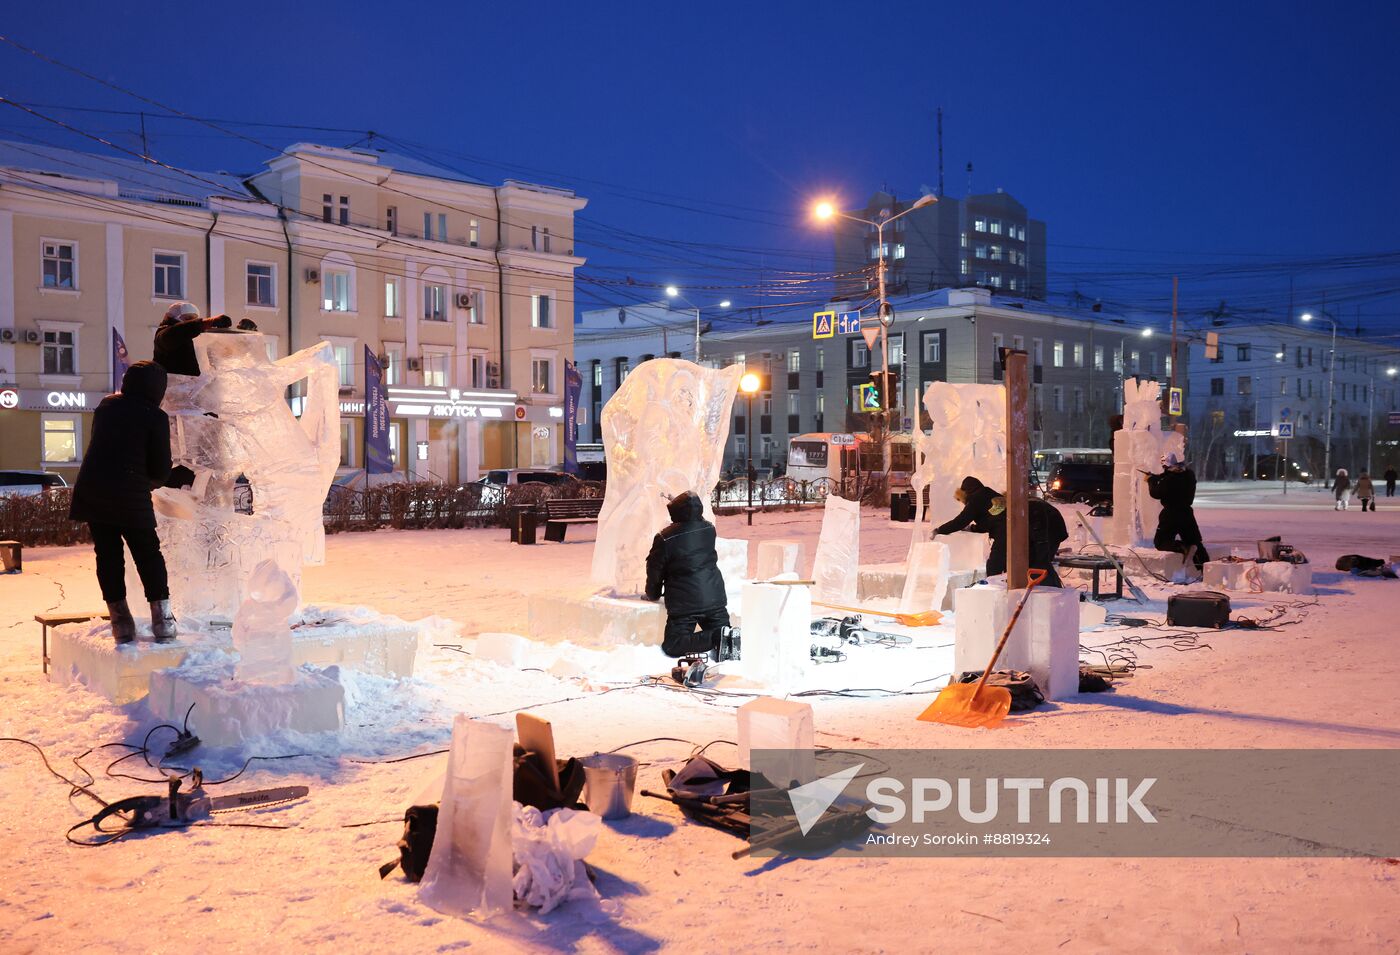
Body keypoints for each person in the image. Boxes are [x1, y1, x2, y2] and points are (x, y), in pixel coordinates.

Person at [68, 361, 177, 644]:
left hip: (94, 492)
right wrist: (148, 482)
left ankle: (121, 623)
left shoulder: (107, 406)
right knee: (148, 555)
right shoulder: (155, 417)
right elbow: (162, 468)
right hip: (130, 495)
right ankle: (163, 621)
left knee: (108, 556)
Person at [644, 491, 738, 660]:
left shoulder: (664, 538)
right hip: (714, 597)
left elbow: (654, 571)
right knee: (725, 633)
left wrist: (653, 594)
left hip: (685, 603)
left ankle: (716, 636)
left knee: (673, 644)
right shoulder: (709, 529)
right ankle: (725, 636)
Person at [932, 476, 1067, 587]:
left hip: (1035, 525)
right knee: (1038, 561)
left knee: (1000, 564)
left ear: (965, 493)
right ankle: (1046, 589)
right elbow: (994, 518)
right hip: (1052, 526)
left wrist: (940, 530)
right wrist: (974, 528)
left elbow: (960, 521)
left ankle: (996, 591)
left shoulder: (975, 499)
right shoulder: (991, 496)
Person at [1147, 452, 1209, 569]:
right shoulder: (1189, 475)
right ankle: (1206, 570)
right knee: (1195, 542)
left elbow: (1156, 493)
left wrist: (1151, 481)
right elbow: (1174, 477)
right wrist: (1159, 477)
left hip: (1171, 514)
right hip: (1187, 513)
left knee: (1161, 542)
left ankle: (1182, 547)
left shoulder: (1169, 480)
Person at [152, 301, 233, 377]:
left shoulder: (194, 335)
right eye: (188, 318)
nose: (192, 321)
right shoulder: (165, 334)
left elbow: (220, 351)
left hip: (193, 386)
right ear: (173, 318)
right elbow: (181, 330)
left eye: (194, 319)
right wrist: (209, 322)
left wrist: (241, 335)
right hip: (174, 386)